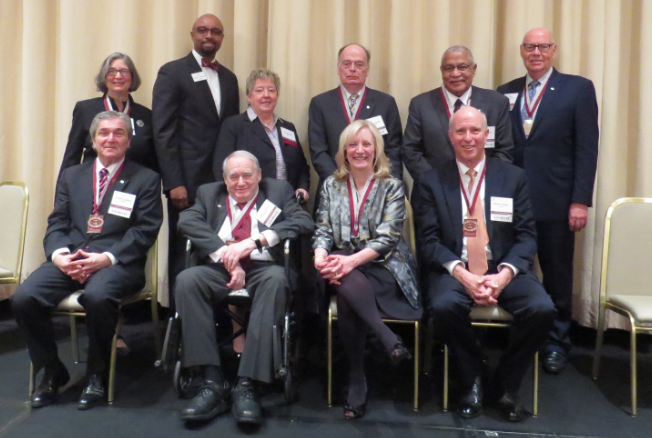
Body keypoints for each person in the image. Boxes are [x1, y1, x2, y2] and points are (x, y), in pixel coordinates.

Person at [12, 111, 163, 411]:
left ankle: (97, 375)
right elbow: (57, 222)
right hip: (71, 258)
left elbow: (145, 229)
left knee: (97, 296)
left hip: (118, 264)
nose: (111, 138)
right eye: (103, 133)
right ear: (93, 140)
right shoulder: (72, 175)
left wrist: (105, 258)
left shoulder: (146, 179)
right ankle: (52, 370)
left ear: (128, 141)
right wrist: (59, 256)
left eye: (118, 133)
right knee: (24, 298)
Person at [412, 107, 555, 422]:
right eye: (460, 132)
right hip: (456, 268)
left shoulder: (513, 177)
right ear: (450, 137)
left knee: (542, 308)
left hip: (503, 267)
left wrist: (503, 275)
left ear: (486, 135)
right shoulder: (430, 181)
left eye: (475, 131)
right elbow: (429, 241)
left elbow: (527, 236)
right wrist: (463, 275)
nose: (468, 138)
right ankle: (471, 378)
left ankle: (505, 382)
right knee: (445, 305)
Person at [174, 151, 314, 427]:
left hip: (264, 269)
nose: (241, 182)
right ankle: (212, 381)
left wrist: (255, 242)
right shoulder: (208, 193)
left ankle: (247, 383)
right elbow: (186, 222)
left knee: (275, 282)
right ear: (224, 179)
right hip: (219, 269)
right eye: (233, 176)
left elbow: (303, 222)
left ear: (259, 175)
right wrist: (227, 256)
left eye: (247, 175)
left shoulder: (278, 191)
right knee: (187, 279)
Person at [497, 28, 599, 374]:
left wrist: (580, 200)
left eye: (542, 46)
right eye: (529, 46)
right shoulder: (506, 92)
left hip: (557, 201)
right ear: (522, 51)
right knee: (513, 271)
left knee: (557, 274)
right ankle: (522, 336)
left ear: (553, 50)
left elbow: (586, 149)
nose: (536, 52)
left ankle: (557, 342)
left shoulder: (578, 89)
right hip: (511, 204)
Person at [312, 120, 421, 420]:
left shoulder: (393, 186)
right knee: (344, 281)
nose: (360, 150)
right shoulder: (331, 186)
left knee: (346, 288)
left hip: (385, 265)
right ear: (344, 152)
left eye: (366, 144)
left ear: (377, 150)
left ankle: (357, 379)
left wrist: (348, 261)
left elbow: (388, 238)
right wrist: (320, 253)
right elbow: (322, 228)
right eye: (353, 145)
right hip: (342, 264)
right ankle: (387, 340)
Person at [152, 13, 240, 304]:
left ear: (222, 38)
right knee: (183, 251)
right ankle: (181, 324)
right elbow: (163, 132)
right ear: (192, 34)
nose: (209, 36)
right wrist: (173, 182)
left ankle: (215, 319)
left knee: (217, 250)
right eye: (202, 30)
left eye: (215, 31)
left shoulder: (229, 78)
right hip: (185, 184)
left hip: (220, 183)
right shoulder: (172, 72)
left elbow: (230, 131)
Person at [309, 43, 403, 205]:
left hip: (377, 193)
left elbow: (394, 150)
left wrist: (383, 185)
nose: (352, 69)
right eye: (347, 64)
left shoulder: (385, 103)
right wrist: (341, 182)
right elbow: (318, 151)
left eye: (359, 64)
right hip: (334, 191)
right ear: (338, 68)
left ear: (367, 70)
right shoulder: (320, 103)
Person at [402, 46, 513, 179]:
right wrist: (434, 184)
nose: (455, 74)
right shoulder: (420, 105)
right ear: (442, 71)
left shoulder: (496, 103)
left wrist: (481, 181)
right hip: (433, 192)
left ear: (473, 69)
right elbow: (410, 151)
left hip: (484, 189)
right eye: (449, 68)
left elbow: (504, 150)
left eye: (462, 67)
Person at [214, 68, 310, 201]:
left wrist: (302, 188)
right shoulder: (234, 125)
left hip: (288, 202)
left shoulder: (288, 127)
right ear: (249, 95)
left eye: (271, 90)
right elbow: (221, 168)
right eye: (259, 90)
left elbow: (302, 167)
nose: (266, 95)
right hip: (250, 204)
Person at [59, 53, 158, 178]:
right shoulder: (86, 109)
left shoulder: (145, 115)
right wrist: (62, 194)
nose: (118, 76)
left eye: (124, 71)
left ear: (132, 77)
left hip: (133, 185)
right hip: (93, 184)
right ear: (104, 76)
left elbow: (152, 159)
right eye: (112, 71)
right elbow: (72, 155)